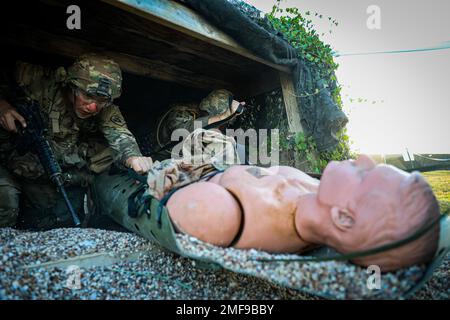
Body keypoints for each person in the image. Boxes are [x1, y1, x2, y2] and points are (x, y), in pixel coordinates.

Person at [165, 154, 441, 271]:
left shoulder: (228, 216)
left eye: (364, 174)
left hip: (191, 173)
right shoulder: (316, 191)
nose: (364, 158)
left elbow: (170, 205)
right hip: (221, 162)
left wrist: (174, 173)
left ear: (342, 217)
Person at [0, 53, 153, 229]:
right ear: (71, 85)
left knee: (60, 220)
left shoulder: (105, 109)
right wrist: (2, 105)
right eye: (87, 96)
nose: (93, 107)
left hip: (48, 171)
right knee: (6, 199)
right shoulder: (36, 78)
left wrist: (133, 157)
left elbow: (119, 133)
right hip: (10, 160)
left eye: (102, 101)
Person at [155, 89, 245, 159]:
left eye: (223, 124)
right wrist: (222, 117)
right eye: (219, 123)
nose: (219, 128)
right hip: (159, 160)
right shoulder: (180, 113)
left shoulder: (219, 130)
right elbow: (184, 133)